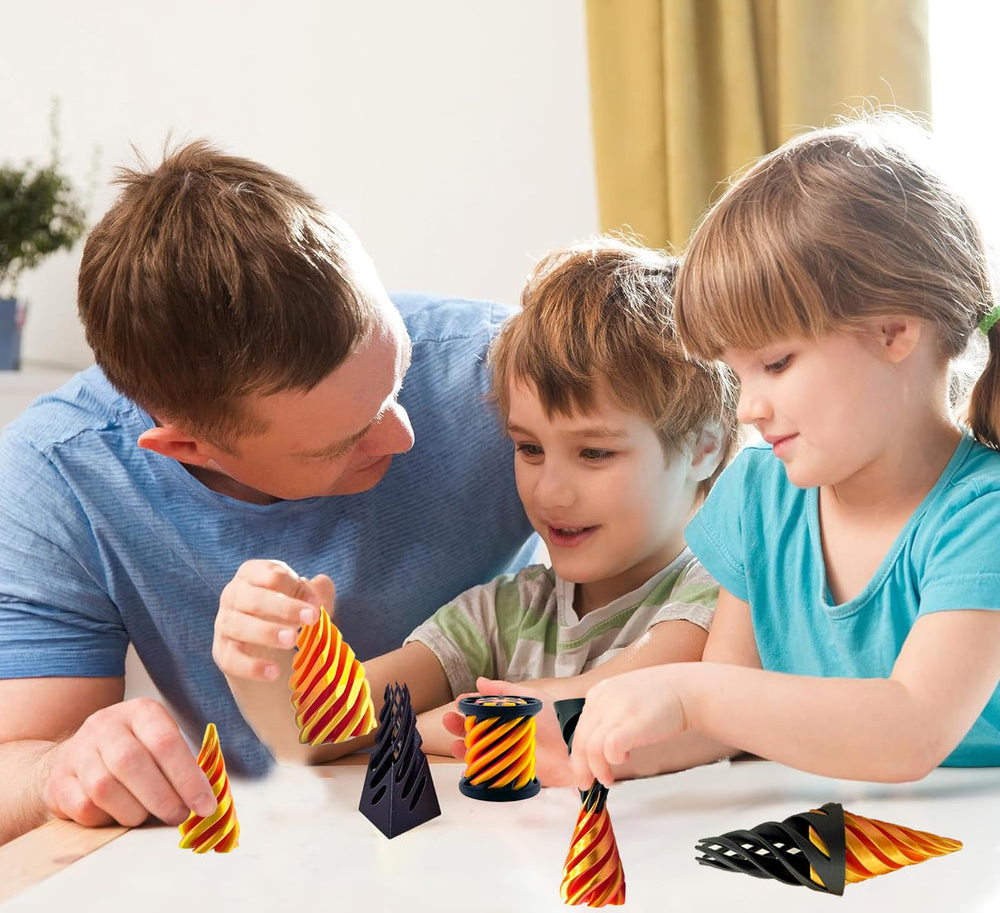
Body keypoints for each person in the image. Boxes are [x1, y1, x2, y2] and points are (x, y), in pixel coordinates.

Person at [0, 141, 541, 844]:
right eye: (340, 443)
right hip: (269, 845)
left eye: (398, 375)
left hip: (513, 808)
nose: (403, 436)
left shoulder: (505, 367)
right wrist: (64, 770)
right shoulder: (56, 480)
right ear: (188, 447)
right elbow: (17, 764)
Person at [567, 114, 1000, 793]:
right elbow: (729, 719)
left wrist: (689, 692)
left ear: (893, 330)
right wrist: (593, 744)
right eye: (737, 374)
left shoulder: (983, 515)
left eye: (775, 363)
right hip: (837, 839)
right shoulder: (760, 496)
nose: (748, 408)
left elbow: (910, 729)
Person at [213, 239, 739, 782]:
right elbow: (312, 735)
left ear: (704, 447)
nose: (550, 493)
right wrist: (265, 654)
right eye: (529, 448)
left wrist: (424, 727)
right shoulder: (501, 614)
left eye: (594, 453)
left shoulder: (727, 588)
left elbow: (612, 706)